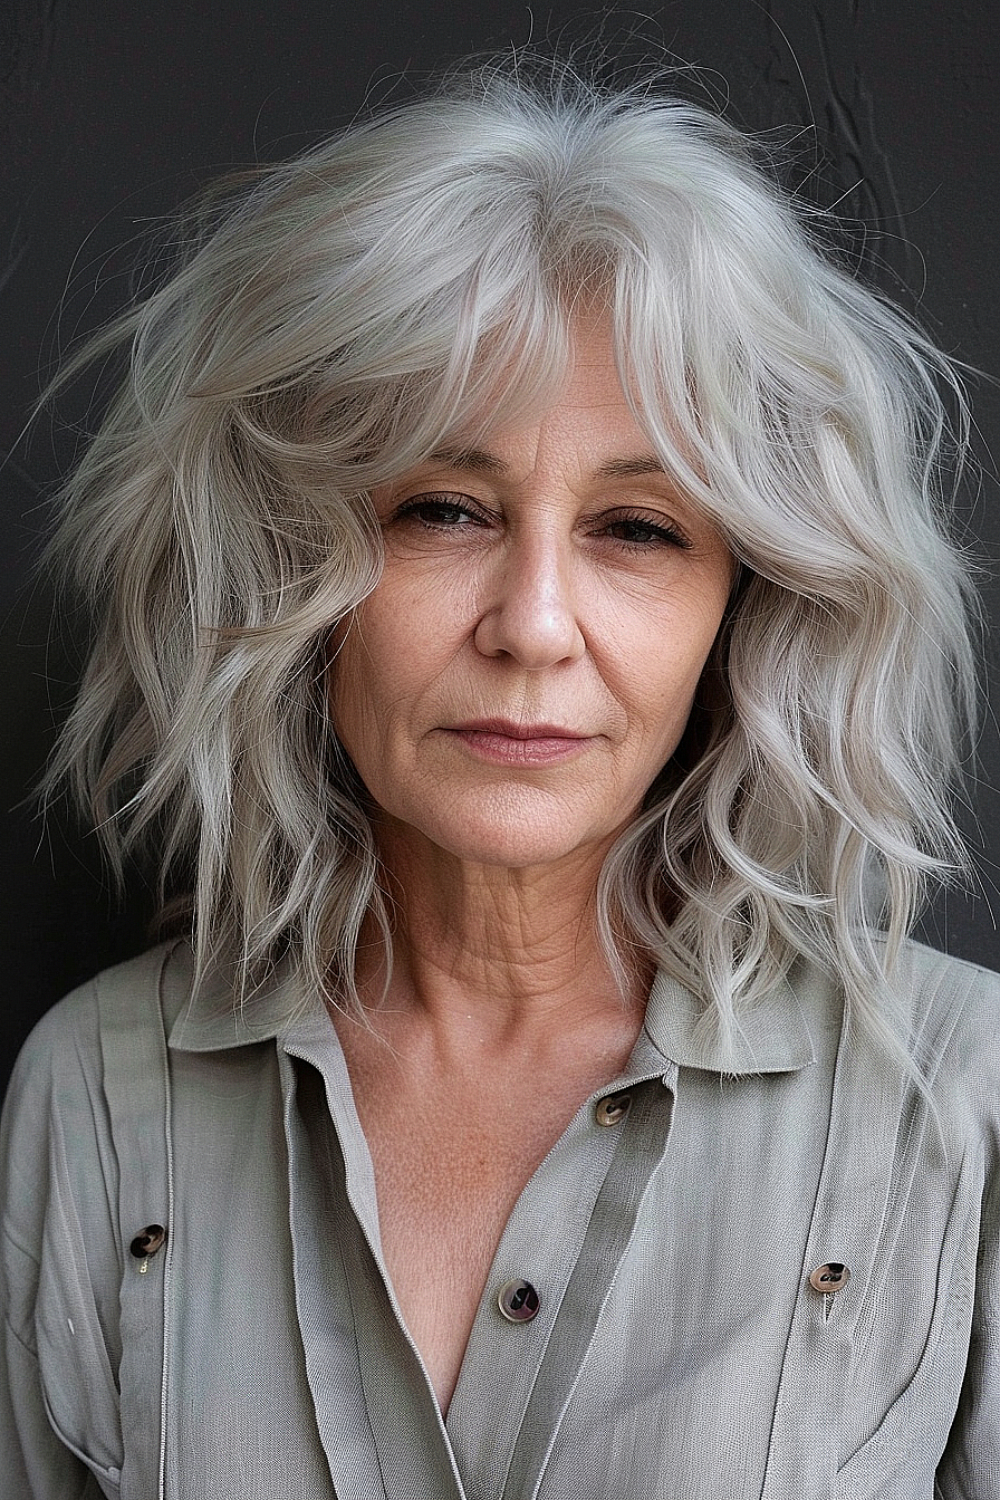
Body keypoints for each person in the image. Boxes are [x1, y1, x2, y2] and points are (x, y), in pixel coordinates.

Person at [1, 54, 997, 1500]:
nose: (532, 626)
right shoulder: (95, 1096)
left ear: (752, 602)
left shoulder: (958, 1102)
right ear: (292, 564)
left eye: (639, 529)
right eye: (444, 508)